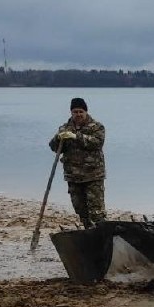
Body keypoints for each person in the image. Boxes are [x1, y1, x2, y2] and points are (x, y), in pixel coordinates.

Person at [49, 97, 106, 228]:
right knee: (80, 210)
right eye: (75, 112)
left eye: (81, 111)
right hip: (73, 176)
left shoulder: (97, 127)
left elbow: (97, 143)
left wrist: (76, 136)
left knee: (96, 211)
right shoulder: (64, 128)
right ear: (71, 113)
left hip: (93, 175)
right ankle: (88, 231)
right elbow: (54, 147)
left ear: (86, 112)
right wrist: (58, 138)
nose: (78, 114)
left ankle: (102, 233)